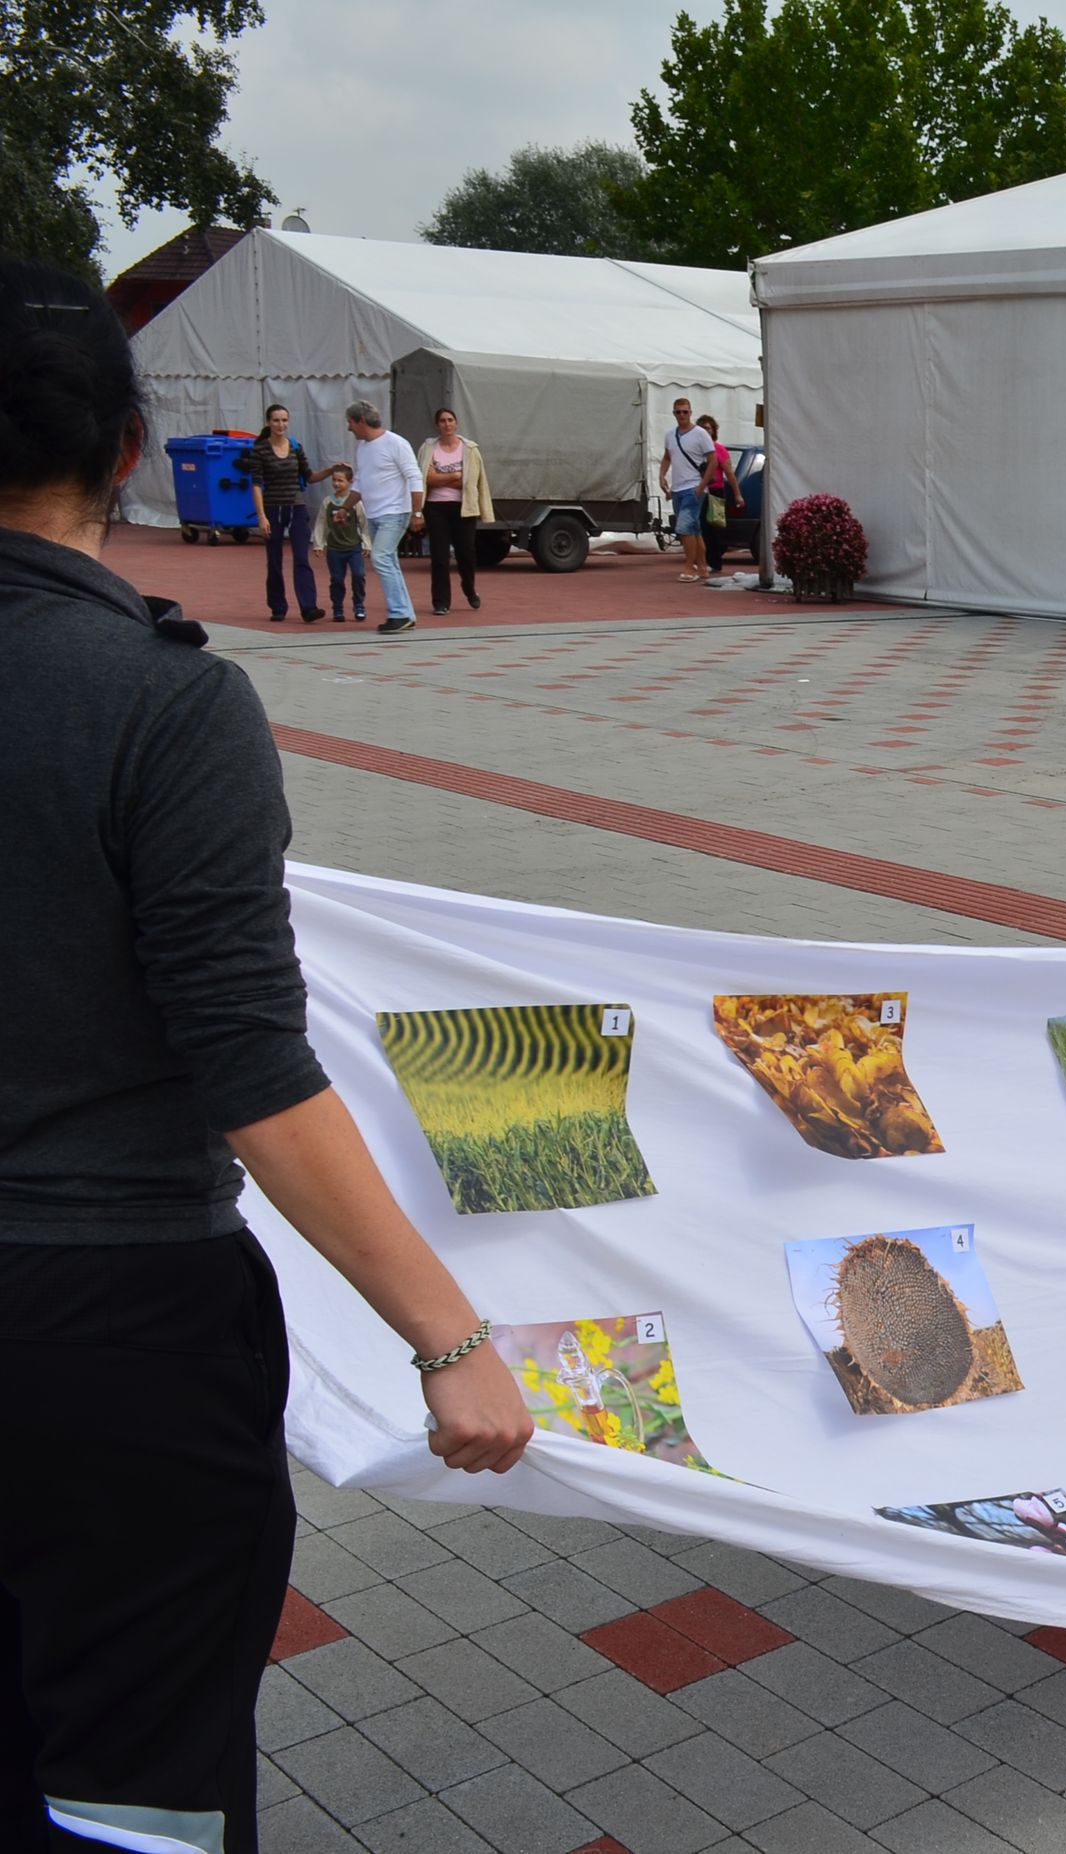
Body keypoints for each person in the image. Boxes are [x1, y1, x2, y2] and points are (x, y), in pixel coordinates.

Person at [0, 259, 531, 1854]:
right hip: (110, 1334)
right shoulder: (160, 705)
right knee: (129, 1781)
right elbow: (253, 1068)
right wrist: (448, 1337)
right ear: (128, 449)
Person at [344, 400, 423, 634]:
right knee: (389, 561)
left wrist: (417, 512)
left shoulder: (396, 443)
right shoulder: (363, 448)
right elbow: (360, 481)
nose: (349, 428)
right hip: (375, 513)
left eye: (350, 422)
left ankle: (399, 613)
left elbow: (414, 476)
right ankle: (406, 614)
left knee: (380, 557)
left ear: (361, 421)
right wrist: (345, 508)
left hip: (395, 511)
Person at [243, 403, 321, 621]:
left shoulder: (295, 447)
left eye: (284, 420)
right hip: (272, 508)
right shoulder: (260, 450)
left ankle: (309, 607)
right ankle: (278, 606)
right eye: (276, 420)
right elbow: (256, 484)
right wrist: (261, 516)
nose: (281, 424)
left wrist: (332, 470)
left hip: (296, 507)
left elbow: (310, 476)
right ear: (268, 422)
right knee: (274, 559)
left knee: (301, 557)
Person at [420, 406, 492, 616]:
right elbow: (425, 479)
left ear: (456, 423)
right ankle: (441, 601)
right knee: (439, 557)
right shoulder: (428, 448)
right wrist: (455, 476)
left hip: (463, 508)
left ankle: (469, 588)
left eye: (450, 420)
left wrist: (440, 478)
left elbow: (473, 481)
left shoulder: (470, 449)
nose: (447, 424)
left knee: (466, 555)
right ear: (437, 425)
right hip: (436, 508)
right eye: (442, 421)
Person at [662, 396, 713, 582]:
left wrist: (702, 485)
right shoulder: (670, 435)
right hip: (678, 488)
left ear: (690, 413)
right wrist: (662, 476)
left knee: (683, 528)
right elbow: (667, 457)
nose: (682, 415)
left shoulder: (700, 434)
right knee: (693, 529)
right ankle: (702, 567)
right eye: (678, 412)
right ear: (674, 413)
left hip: (693, 487)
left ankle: (689, 568)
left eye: (685, 412)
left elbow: (713, 460)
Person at [317, 461, 367, 623]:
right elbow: (321, 523)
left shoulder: (355, 503)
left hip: (353, 547)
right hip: (334, 548)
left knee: (358, 575)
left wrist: (367, 543)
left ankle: (359, 605)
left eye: (341, 480)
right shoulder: (328, 502)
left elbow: (364, 523)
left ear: (350, 482)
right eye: (334, 480)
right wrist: (319, 543)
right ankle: (337, 608)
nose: (336, 483)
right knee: (337, 579)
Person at [696, 412, 737, 574]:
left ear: (713, 430)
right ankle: (702, 560)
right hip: (699, 490)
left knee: (711, 527)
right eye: (701, 429)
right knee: (699, 526)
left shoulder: (719, 449)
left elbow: (729, 473)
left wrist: (737, 494)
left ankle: (714, 562)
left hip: (715, 491)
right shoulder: (696, 449)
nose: (705, 432)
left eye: (708, 428)